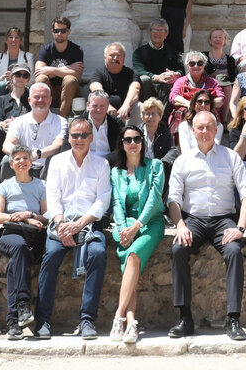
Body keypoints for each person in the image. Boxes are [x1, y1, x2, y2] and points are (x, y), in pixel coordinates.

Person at [167, 110, 246, 341]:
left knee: (234, 251)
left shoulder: (230, 156)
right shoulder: (182, 160)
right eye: (200, 127)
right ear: (193, 131)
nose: (205, 131)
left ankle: (233, 319)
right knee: (177, 250)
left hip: (223, 220)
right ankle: (185, 318)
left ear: (216, 130)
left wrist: (240, 228)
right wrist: (180, 225)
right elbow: (173, 199)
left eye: (209, 127)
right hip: (193, 220)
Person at [35, 117, 111, 340]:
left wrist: (79, 225)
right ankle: (43, 320)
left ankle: (87, 319)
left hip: (88, 224)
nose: (79, 139)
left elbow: (102, 200)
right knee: (50, 256)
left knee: (97, 253)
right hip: (61, 223)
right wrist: (61, 225)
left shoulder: (101, 164)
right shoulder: (57, 162)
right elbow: (53, 196)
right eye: (75, 135)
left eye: (84, 135)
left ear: (91, 137)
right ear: (69, 138)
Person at [109, 125, 166, 343]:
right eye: (127, 140)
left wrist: (136, 227)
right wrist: (124, 229)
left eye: (137, 139)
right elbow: (116, 202)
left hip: (150, 223)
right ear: (121, 144)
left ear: (142, 142)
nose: (132, 143)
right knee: (129, 265)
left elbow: (154, 199)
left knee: (132, 256)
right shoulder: (116, 172)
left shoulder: (155, 166)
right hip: (126, 227)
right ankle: (131, 322)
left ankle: (118, 316)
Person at [0, 145, 48, 340]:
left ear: (31, 162)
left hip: (34, 235)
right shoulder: (5, 185)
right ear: (11, 164)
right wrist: (21, 219)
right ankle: (24, 304)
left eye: (25, 158)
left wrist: (31, 215)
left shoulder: (41, 185)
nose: (22, 161)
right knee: (18, 247)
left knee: (15, 264)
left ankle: (12, 322)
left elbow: (47, 217)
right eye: (17, 159)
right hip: (11, 233)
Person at [2, 82, 68, 179]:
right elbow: (7, 145)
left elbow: (58, 145)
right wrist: (23, 156)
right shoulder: (18, 121)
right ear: (29, 100)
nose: (40, 100)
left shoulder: (60, 121)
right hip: (23, 165)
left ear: (50, 100)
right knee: (6, 160)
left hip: (47, 167)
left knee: (53, 161)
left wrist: (37, 154)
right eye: (36, 97)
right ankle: (7, 193)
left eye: (44, 97)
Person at [34, 16, 84, 118]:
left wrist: (50, 70)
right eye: (57, 31)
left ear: (69, 31)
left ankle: (63, 117)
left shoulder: (76, 50)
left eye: (63, 31)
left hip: (70, 94)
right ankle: (43, 116)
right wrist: (68, 69)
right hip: (51, 93)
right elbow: (38, 73)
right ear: (52, 31)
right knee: (41, 79)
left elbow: (77, 75)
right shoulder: (46, 49)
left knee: (69, 79)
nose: (59, 34)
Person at [168, 51, 224, 133]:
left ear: (204, 65)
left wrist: (206, 104)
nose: (196, 66)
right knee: (184, 111)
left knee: (213, 112)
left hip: (207, 111)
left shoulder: (212, 82)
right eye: (192, 63)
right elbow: (173, 97)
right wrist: (191, 104)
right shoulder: (181, 81)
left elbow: (221, 99)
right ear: (188, 66)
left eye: (200, 63)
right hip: (187, 110)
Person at [132, 19, 183, 103]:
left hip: (165, 83)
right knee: (144, 79)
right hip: (149, 83)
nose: (158, 33)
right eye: (155, 30)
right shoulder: (139, 52)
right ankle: (147, 111)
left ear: (166, 34)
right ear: (149, 32)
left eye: (162, 31)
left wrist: (175, 74)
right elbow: (139, 70)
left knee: (171, 80)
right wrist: (156, 77)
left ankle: (165, 116)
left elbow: (180, 69)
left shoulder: (173, 52)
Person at [88, 43, 141, 121]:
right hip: (105, 111)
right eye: (112, 55)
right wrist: (106, 105)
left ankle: (135, 132)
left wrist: (126, 106)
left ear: (124, 58)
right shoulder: (98, 73)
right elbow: (96, 89)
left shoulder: (132, 73)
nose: (115, 58)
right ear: (105, 57)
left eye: (119, 55)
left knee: (139, 106)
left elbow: (135, 89)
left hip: (127, 113)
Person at [0, 63, 31, 168]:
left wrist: (16, 123)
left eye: (25, 75)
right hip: (7, 135)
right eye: (18, 74)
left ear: (28, 79)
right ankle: (0, 167)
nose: (21, 78)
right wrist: (4, 124)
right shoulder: (1, 99)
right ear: (12, 77)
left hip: (26, 133)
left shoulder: (32, 99)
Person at [0, 26, 35, 106]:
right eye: (11, 37)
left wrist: (16, 81)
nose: (13, 40)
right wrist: (1, 78)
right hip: (3, 88)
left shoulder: (28, 57)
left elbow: (31, 80)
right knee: (0, 85)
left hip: (21, 87)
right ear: (6, 40)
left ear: (20, 40)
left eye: (16, 37)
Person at [175, 89, 223, 155]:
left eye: (207, 102)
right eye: (199, 102)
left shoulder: (218, 126)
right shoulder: (184, 126)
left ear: (211, 106)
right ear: (194, 104)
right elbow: (185, 152)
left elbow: (213, 148)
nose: (203, 105)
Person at [204, 27, 236, 121]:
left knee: (227, 87)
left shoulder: (230, 60)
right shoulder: (204, 57)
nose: (217, 39)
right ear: (210, 40)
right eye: (215, 37)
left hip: (225, 87)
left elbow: (233, 78)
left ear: (225, 40)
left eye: (220, 37)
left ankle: (224, 119)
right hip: (208, 86)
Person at [84, 89, 124, 164]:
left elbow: (121, 148)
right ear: (88, 105)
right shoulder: (77, 123)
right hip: (84, 162)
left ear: (108, 106)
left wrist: (104, 162)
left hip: (110, 163)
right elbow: (68, 147)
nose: (98, 109)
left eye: (102, 106)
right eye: (95, 106)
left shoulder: (117, 124)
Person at [140, 98, 174, 162]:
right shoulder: (137, 133)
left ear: (160, 117)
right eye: (147, 114)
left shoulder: (165, 133)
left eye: (153, 114)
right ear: (143, 117)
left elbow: (172, 151)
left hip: (159, 168)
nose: (150, 117)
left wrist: (162, 163)